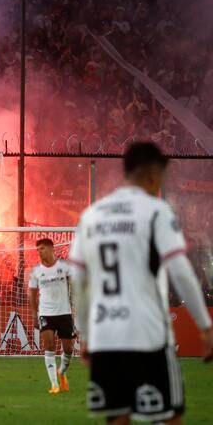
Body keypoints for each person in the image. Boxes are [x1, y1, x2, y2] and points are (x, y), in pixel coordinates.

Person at [69, 142, 213, 424]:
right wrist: (205, 326)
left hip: (106, 334)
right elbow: (181, 272)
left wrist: (86, 333)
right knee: (170, 416)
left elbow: (79, 282)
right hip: (148, 333)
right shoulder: (155, 211)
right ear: (151, 174)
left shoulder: (91, 215)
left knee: (118, 418)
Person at [28, 238, 75, 394]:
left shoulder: (65, 267)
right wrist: (35, 314)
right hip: (46, 313)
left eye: (42, 248)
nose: (39, 252)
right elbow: (32, 294)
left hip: (64, 312)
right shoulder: (35, 271)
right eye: (38, 249)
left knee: (68, 348)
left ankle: (61, 371)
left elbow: (75, 286)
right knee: (49, 346)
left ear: (51, 249)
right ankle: (54, 385)